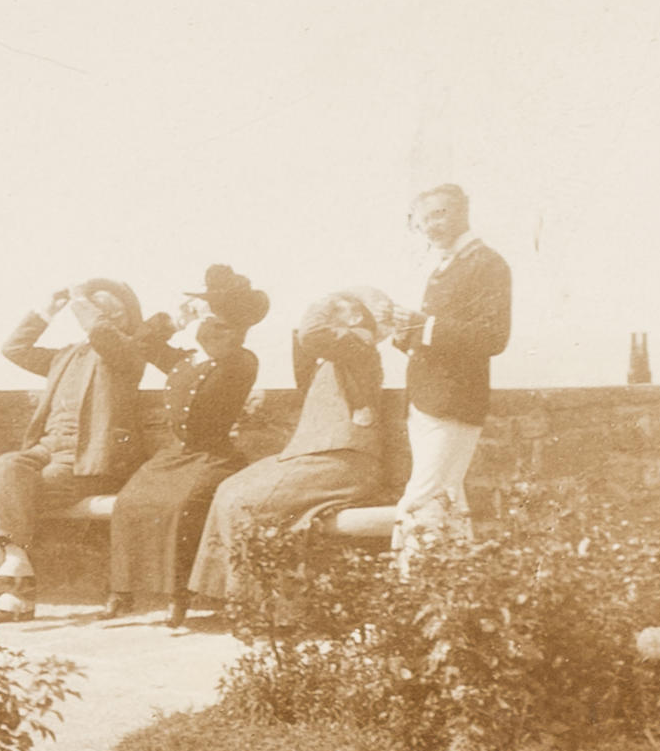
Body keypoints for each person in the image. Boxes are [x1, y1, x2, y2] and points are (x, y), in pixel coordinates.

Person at [187, 289, 391, 609]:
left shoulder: (359, 345)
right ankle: (232, 596)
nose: (328, 316)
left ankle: (263, 609)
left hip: (343, 459)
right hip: (316, 453)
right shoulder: (339, 352)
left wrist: (327, 300)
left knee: (249, 502)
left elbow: (311, 333)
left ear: (355, 318)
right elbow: (304, 342)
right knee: (229, 489)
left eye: (336, 310)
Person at [103, 266, 270, 623]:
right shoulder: (186, 361)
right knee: (129, 501)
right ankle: (122, 590)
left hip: (213, 454)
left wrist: (208, 322)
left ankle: (178, 594)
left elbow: (222, 345)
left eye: (219, 319)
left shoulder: (241, 361)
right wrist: (174, 322)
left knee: (182, 507)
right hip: (177, 454)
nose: (210, 324)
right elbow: (143, 344)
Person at [0, 278, 151, 619]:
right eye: (101, 308)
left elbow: (103, 335)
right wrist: (45, 311)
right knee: (7, 467)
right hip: (47, 448)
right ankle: (16, 555)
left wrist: (81, 299)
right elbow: (13, 349)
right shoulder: (66, 355)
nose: (106, 316)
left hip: (86, 458)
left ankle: (17, 595)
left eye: (114, 311)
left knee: (19, 495)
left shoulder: (129, 351)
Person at [389, 183, 512, 550]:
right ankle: (460, 585)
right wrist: (403, 331)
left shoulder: (487, 263)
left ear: (463, 211)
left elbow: (493, 337)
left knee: (422, 497)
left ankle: (409, 584)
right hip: (427, 401)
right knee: (447, 496)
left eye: (440, 214)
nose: (431, 225)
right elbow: (432, 337)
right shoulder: (443, 265)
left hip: (454, 401)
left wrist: (422, 326)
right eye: (424, 219)